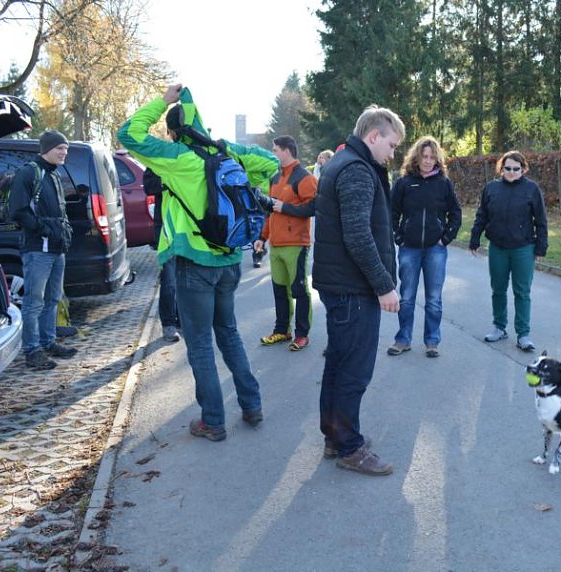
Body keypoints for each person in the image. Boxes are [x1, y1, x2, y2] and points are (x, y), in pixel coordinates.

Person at [118, 84, 279, 442]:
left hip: (194, 263)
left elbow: (128, 134)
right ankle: (252, 405)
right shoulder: (225, 155)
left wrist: (163, 100)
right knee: (229, 333)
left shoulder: (178, 157)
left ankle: (213, 421)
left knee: (201, 343)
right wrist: (230, 154)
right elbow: (271, 163)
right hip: (230, 261)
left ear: (174, 131)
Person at [313, 104, 405, 476]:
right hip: (353, 288)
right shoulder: (356, 169)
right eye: (392, 145)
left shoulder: (345, 162)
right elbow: (358, 236)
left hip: (343, 285)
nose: (393, 154)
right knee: (353, 370)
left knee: (339, 364)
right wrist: (384, 286)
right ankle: (350, 447)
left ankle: (336, 436)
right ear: (374, 136)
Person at [387, 136, 462, 359]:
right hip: (409, 249)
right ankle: (403, 340)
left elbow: (455, 213)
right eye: (424, 156)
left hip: (435, 249)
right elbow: (391, 212)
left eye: (431, 157)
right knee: (406, 297)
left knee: (434, 299)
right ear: (416, 158)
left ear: (437, 159)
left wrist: (445, 238)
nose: (428, 161)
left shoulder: (444, 183)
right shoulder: (404, 183)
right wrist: (398, 237)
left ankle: (432, 341)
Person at [8, 130, 77, 370]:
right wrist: (44, 229)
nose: (64, 152)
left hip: (57, 248)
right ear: (46, 149)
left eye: (66, 149)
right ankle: (32, 351)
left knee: (53, 298)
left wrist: (63, 231)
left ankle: (48, 342)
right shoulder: (29, 172)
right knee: (33, 302)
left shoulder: (54, 175)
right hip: (38, 248)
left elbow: (60, 211)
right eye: (60, 148)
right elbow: (18, 211)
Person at [468, 151, 548, 352]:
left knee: (522, 292)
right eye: (508, 168)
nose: (511, 172)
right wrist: (475, 238)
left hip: (523, 249)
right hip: (498, 248)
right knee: (498, 289)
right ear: (501, 169)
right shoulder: (491, 188)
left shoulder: (532, 189)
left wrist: (541, 247)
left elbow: (541, 220)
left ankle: (523, 335)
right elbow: (482, 215)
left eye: (516, 169)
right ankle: (499, 327)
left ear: (523, 169)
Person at [254, 135, 317, 351]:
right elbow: (270, 212)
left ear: (287, 151)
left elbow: (315, 207)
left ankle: (302, 335)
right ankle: (282, 330)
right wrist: (262, 237)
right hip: (276, 245)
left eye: (275, 150)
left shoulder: (304, 177)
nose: (273, 153)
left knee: (299, 290)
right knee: (279, 290)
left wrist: (286, 207)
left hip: (296, 244)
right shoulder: (275, 178)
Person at [143, 167, 180, 343]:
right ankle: (169, 324)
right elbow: (149, 187)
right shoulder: (158, 163)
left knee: (186, 279)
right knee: (169, 280)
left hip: (188, 230)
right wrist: (171, 178)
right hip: (166, 230)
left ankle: (183, 319)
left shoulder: (191, 158)